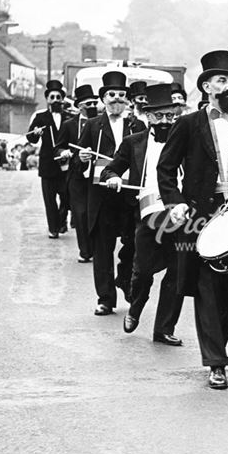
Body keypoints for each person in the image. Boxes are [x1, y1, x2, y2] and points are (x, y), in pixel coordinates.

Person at [157, 50, 228, 390]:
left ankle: (216, 344)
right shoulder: (188, 124)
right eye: (222, 80)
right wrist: (174, 203)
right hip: (202, 217)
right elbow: (165, 168)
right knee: (207, 289)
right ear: (207, 86)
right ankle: (216, 362)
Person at [101, 84, 184, 346]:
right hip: (145, 213)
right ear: (148, 116)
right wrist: (113, 177)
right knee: (143, 270)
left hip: (179, 213)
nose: (165, 122)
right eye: (159, 116)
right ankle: (135, 309)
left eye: (170, 116)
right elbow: (110, 169)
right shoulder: (133, 143)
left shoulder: (184, 141)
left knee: (177, 273)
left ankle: (164, 329)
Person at [77, 72, 139, 315]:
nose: (116, 99)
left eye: (122, 95)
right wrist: (82, 159)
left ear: (127, 100)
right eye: (112, 95)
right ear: (103, 99)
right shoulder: (93, 126)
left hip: (129, 197)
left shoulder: (137, 125)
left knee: (133, 244)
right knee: (102, 248)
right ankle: (105, 298)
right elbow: (78, 160)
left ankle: (125, 281)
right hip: (102, 198)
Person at [58, 84, 100, 262]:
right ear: (79, 105)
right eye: (87, 104)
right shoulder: (68, 125)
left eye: (94, 103)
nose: (92, 107)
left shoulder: (102, 123)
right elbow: (59, 146)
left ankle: (97, 248)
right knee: (80, 214)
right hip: (76, 176)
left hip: (96, 175)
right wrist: (63, 153)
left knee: (95, 213)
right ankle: (85, 251)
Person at [26, 79, 71, 238]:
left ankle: (61, 220)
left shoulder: (68, 117)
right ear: (47, 99)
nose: (55, 100)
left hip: (65, 164)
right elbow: (31, 138)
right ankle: (53, 228)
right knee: (49, 200)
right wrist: (35, 133)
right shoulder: (40, 117)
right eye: (52, 97)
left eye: (58, 97)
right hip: (47, 165)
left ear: (62, 99)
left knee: (67, 198)